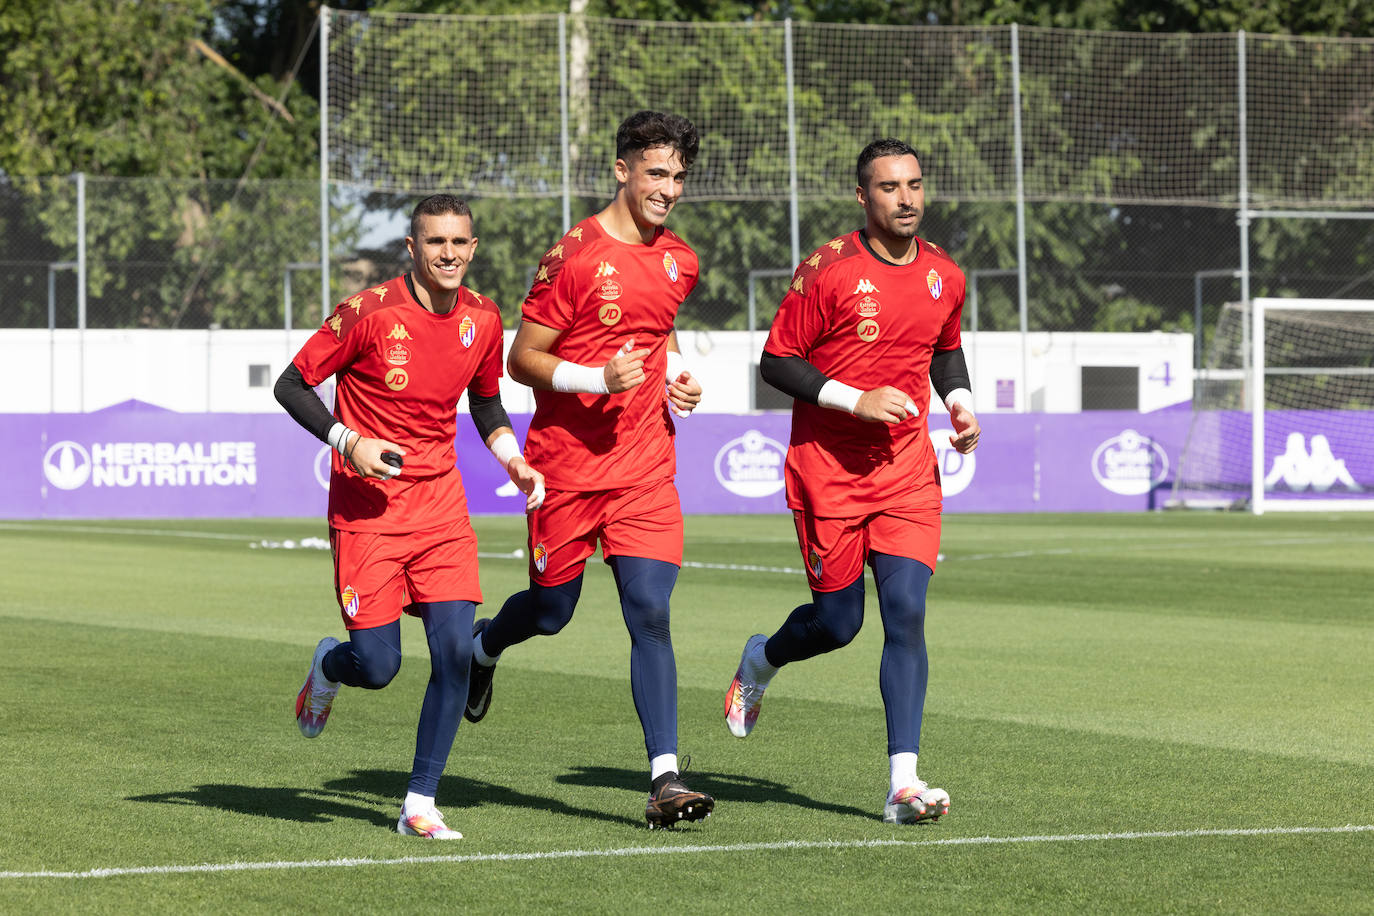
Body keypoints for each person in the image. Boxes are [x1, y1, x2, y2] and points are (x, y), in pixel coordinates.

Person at [463, 110, 713, 829]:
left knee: (651, 614)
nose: (668, 189)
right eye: (657, 173)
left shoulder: (680, 261)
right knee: (551, 611)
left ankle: (665, 777)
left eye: (678, 177)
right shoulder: (573, 256)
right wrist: (594, 379)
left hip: (643, 470)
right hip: (565, 471)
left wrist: (675, 387)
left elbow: (654, 344)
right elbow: (522, 360)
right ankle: (486, 646)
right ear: (622, 171)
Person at [723, 138, 980, 825]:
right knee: (839, 624)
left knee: (907, 614)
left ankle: (903, 783)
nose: (907, 199)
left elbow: (946, 351)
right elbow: (776, 362)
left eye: (915, 185)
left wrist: (959, 404)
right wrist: (854, 398)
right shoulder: (829, 270)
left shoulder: (944, 275)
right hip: (828, 473)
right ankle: (762, 660)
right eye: (890, 188)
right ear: (862, 197)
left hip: (905, 473)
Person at [275, 194, 544, 840]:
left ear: (472, 249)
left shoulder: (482, 317)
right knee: (379, 665)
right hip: (367, 512)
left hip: (441, 511)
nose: (448, 254)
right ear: (412, 248)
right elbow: (290, 384)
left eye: (459, 243)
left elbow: (485, 404)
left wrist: (513, 458)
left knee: (454, 655)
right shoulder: (368, 314)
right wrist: (349, 441)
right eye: (435, 243)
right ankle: (328, 668)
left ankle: (418, 803)